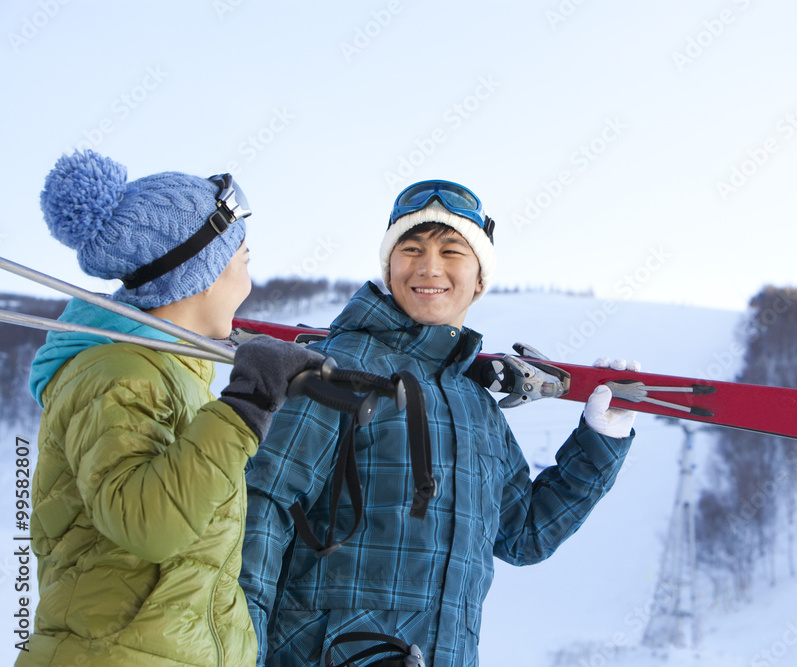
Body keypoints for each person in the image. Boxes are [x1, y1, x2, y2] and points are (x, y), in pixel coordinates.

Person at [240, 179, 639, 666]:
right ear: (389, 270)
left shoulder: (475, 406)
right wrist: (243, 654)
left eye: (452, 251)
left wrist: (602, 439)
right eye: (411, 249)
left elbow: (523, 535)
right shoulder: (337, 371)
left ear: (479, 280)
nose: (429, 267)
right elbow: (261, 511)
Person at [18, 149, 324, 666]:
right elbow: (149, 523)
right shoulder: (118, 375)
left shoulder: (168, 375)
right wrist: (245, 405)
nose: (249, 283)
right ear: (200, 274)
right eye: (243, 262)